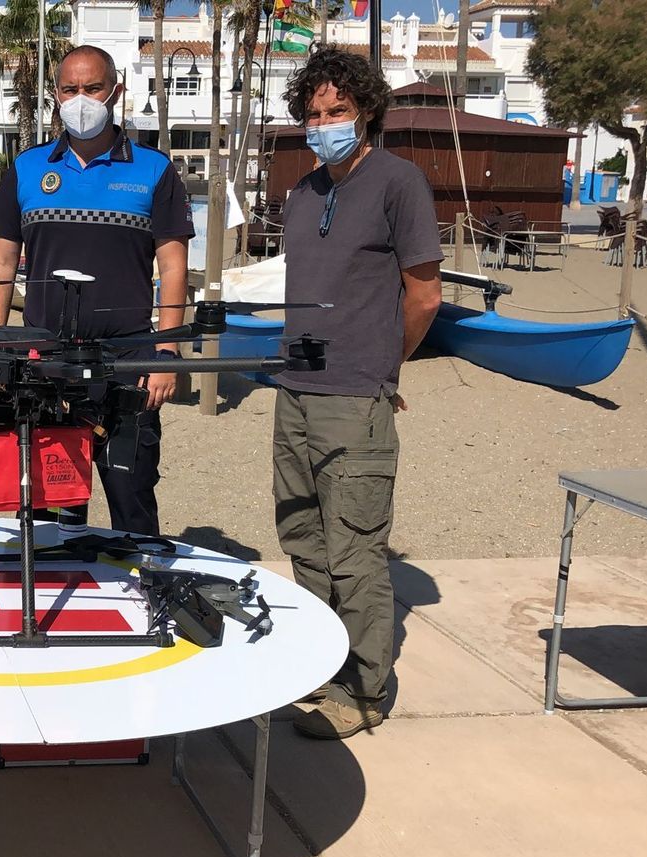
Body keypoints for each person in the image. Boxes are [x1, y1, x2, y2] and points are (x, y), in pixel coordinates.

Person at [273, 48, 443, 739]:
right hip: (295, 392)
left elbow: (424, 295)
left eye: (337, 111)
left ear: (365, 109)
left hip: (356, 399)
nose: (324, 123)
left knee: (354, 549)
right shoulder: (304, 191)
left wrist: (383, 368)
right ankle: (319, 666)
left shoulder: (399, 183)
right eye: (313, 114)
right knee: (303, 540)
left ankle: (366, 687)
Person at [0, 45, 193, 537]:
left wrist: (166, 350)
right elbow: (3, 258)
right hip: (45, 363)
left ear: (115, 92)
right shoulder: (29, 167)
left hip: (128, 363)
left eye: (92, 88)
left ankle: (143, 595)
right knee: (51, 506)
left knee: (132, 494)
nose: (81, 99)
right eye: (70, 89)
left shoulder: (154, 169)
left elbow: (174, 266)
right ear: (55, 95)